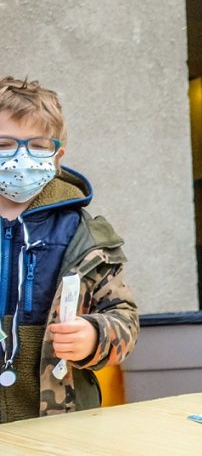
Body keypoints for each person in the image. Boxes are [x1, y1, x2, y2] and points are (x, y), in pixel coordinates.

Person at [0, 76, 138, 423]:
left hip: (60, 417)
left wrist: (95, 336)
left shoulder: (85, 235)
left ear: (57, 155)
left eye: (37, 145)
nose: (20, 158)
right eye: (4, 145)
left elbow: (124, 316)